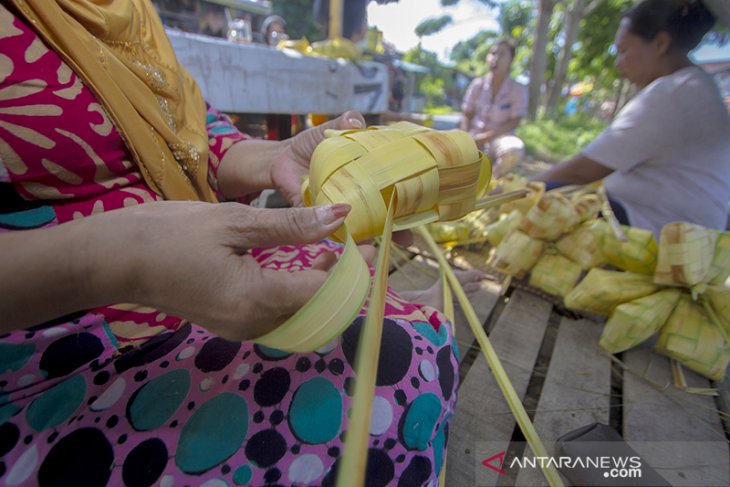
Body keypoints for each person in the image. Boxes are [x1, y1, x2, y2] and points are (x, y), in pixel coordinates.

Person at [0, 1, 471, 485]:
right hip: (59, 354)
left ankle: (401, 306)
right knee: (387, 366)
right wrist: (128, 259)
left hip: (176, 254)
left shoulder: (123, 9)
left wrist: (278, 156)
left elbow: (198, 136)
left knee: (349, 268)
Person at [534, 0, 730, 237]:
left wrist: (523, 189)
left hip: (658, 230)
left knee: (548, 196)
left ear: (660, 44)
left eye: (624, 51)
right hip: (684, 228)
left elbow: (581, 171)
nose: (618, 63)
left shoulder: (671, 93)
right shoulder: (695, 85)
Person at [461, 38, 528, 179]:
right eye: (492, 53)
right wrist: (466, 138)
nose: (495, 58)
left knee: (514, 150)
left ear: (511, 60)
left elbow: (514, 122)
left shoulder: (518, 90)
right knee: (443, 144)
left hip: (498, 139)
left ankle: (492, 181)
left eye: (502, 54)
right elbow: (467, 114)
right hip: (473, 136)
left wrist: (484, 139)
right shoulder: (477, 85)